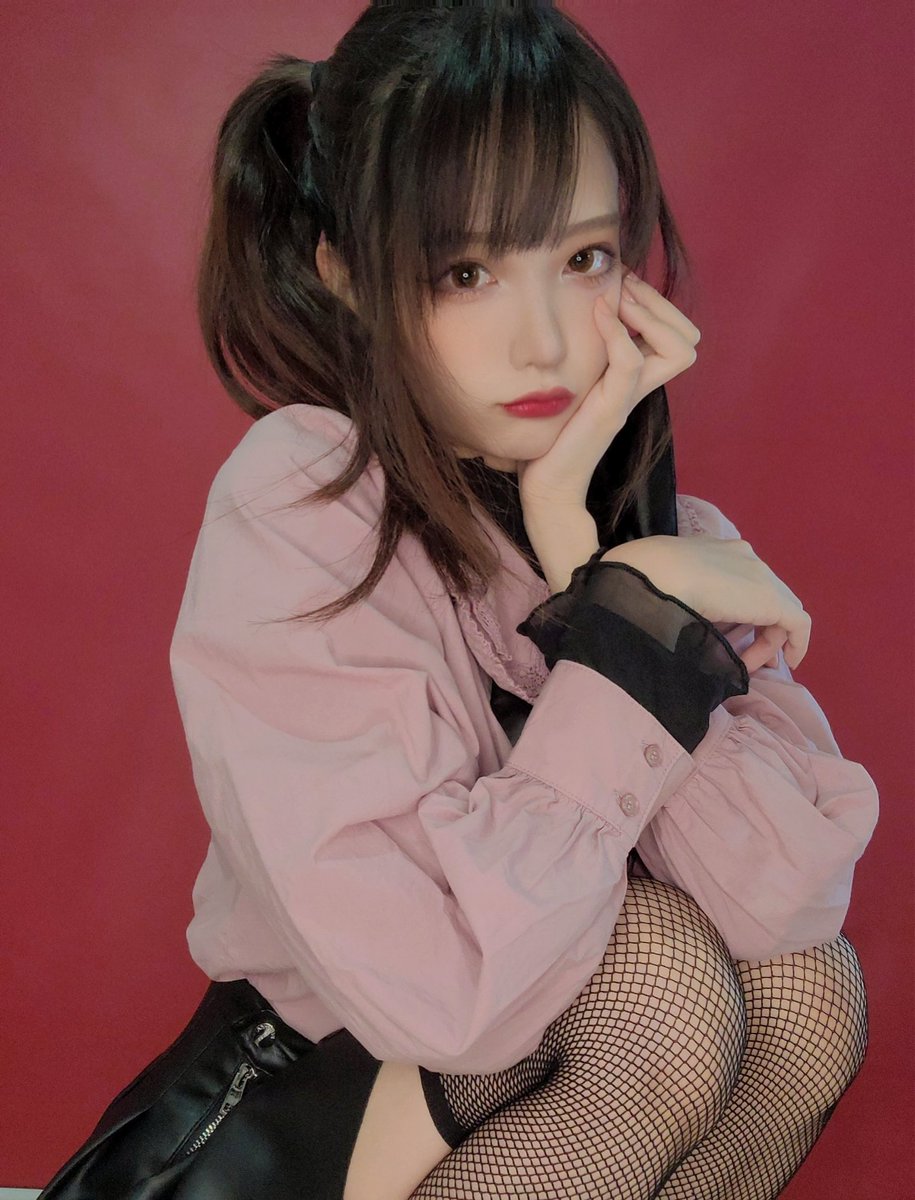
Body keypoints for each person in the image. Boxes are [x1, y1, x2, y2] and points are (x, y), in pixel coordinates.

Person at [39, 2, 879, 1198]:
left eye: (584, 259)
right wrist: (623, 642)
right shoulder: (306, 501)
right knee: (662, 982)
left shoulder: (664, 547)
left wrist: (601, 575)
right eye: (467, 271)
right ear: (346, 276)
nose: (544, 342)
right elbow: (448, 996)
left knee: (805, 995)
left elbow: (780, 906)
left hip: (514, 1113)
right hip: (305, 1127)